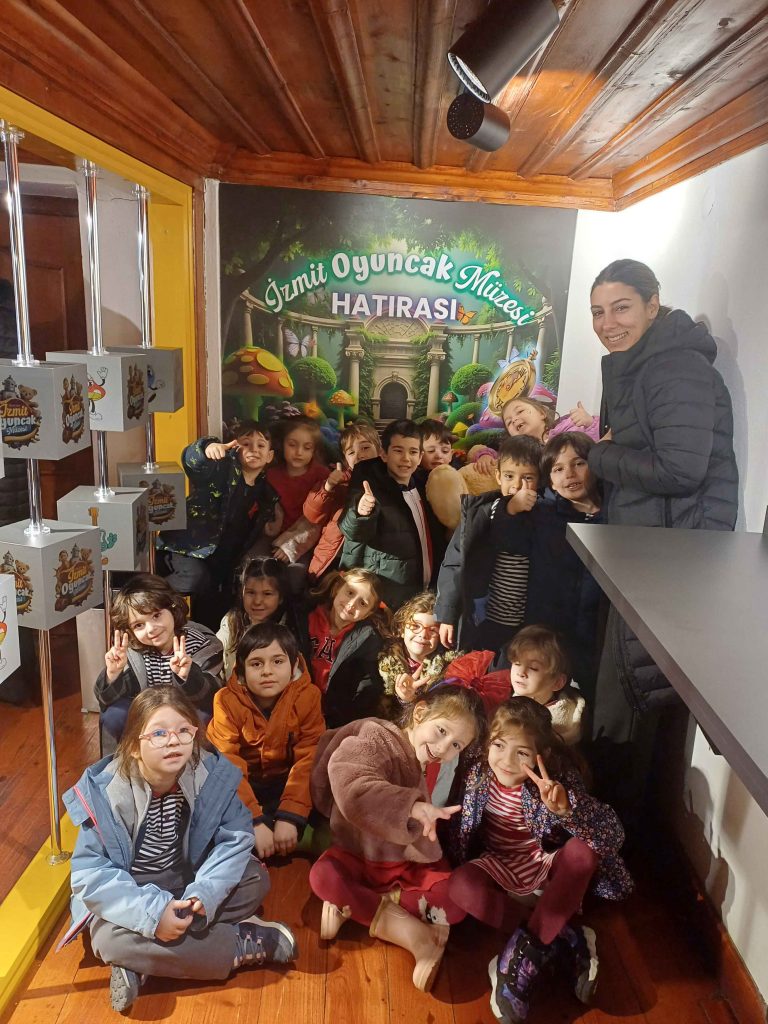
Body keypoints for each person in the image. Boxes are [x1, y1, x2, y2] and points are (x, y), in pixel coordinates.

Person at [586, 259, 738, 826]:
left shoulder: (674, 367)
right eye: (598, 312)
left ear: (653, 304)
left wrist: (598, 454)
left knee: (634, 702)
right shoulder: (641, 364)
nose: (607, 323)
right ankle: (613, 834)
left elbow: (679, 470)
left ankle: (617, 841)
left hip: (670, 559)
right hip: (649, 550)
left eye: (621, 307)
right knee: (629, 700)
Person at [62, 687, 297, 1013]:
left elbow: (235, 839)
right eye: (159, 733)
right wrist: (153, 913)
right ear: (134, 747)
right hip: (134, 891)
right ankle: (238, 944)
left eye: (183, 731)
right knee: (105, 938)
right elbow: (91, 875)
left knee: (254, 880)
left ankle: (140, 960)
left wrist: (206, 892)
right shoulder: (107, 793)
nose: (173, 742)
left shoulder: (209, 774)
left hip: (189, 883)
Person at [445, 698, 631, 1024]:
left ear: (540, 755)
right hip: (497, 864)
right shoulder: (477, 771)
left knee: (583, 852)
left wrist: (568, 810)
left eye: (521, 753)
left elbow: (612, 837)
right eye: (499, 745)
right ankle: (565, 938)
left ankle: (515, 962)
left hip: (544, 864)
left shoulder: (556, 780)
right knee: (460, 886)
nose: (506, 761)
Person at [308, 685, 487, 992]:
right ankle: (412, 934)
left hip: (400, 864)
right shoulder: (377, 737)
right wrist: (412, 808)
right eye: (441, 731)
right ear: (420, 713)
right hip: (358, 856)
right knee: (323, 876)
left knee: (456, 903)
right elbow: (352, 782)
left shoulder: (425, 763)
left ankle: (352, 904)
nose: (443, 748)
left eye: (456, 744)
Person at [207, 622, 325, 861]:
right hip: (245, 786)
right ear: (242, 670)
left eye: (278, 661)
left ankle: (295, 835)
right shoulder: (225, 701)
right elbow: (227, 763)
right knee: (213, 814)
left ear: (294, 666)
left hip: (286, 783)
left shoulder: (308, 696)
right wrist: (253, 820)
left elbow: (308, 757)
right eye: (256, 664)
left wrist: (290, 815)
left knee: (325, 825)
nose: (267, 671)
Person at [158, 419, 281, 628]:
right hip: (187, 548)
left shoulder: (266, 495)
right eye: (246, 444)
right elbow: (193, 462)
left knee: (216, 605)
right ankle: (148, 592)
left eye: (261, 445)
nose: (254, 449)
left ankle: (204, 639)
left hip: (222, 561)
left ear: (269, 456)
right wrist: (207, 448)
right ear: (235, 448)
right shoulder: (221, 470)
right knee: (196, 578)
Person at [435, 435, 543, 652]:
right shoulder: (482, 513)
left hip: (530, 625)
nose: (517, 485)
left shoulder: (544, 514)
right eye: (509, 476)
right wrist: (447, 614)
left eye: (528, 477)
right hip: (485, 620)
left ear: (541, 480)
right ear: (498, 476)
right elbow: (455, 563)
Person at [95, 574, 223, 750]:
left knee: (204, 716)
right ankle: (132, 759)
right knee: (114, 714)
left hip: (187, 713)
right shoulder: (133, 651)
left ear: (173, 608)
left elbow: (213, 696)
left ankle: (194, 761)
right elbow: (105, 700)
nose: (151, 629)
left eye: (156, 615)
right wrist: (113, 674)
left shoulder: (201, 645)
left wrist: (188, 675)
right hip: (147, 715)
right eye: (139, 625)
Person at [339, 419, 447, 608]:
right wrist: (361, 512)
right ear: (384, 454)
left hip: (423, 591)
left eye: (413, 452)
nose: (406, 458)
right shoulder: (369, 484)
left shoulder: (426, 485)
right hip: (386, 595)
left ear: (420, 456)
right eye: (398, 450)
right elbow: (352, 531)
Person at [448, 625, 585, 745]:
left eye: (533, 668)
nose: (521, 673)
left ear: (557, 682)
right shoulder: (507, 696)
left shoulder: (557, 728)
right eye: (517, 663)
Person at [297, 568, 389, 729]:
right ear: (336, 589)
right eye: (350, 593)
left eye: (362, 603)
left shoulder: (368, 639)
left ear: (367, 614)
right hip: (294, 698)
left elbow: (367, 684)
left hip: (329, 713)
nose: (352, 604)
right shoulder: (303, 616)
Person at [303, 421, 382, 581]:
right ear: (345, 460)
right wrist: (328, 486)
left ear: (380, 451)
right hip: (336, 557)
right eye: (351, 452)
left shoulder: (387, 481)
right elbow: (312, 515)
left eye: (365, 448)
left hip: (372, 559)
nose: (359, 455)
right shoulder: (339, 482)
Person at [378, 590, 459, 708]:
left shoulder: (448, 669)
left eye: (433, 630)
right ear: (401, 629)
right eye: (415, 626)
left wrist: (412, 699)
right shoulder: (385, 662)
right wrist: (405, 698)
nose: (423, 635)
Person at [217, 556, 291, 680]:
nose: (257, 601)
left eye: (267, 594)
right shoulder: (232, 622)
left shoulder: (289, 630)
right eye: (251, 592)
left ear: (281, 597)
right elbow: (216, 657)